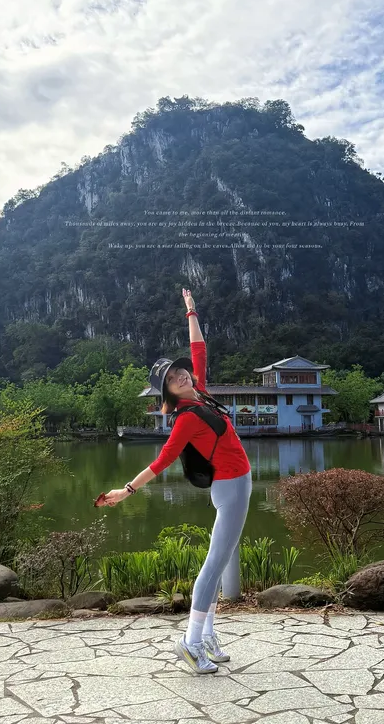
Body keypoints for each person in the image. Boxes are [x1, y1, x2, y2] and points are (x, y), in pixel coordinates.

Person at [95, 288, 252, 674]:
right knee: (214, 563)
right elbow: (162, 460)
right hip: (230, 488)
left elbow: (199, 350)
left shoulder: (200, 396)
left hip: (240, 482)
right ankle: (190, 642)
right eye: (173, 377)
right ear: (167, 391)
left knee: (218, 561)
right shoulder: (185, 418)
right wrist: (127, 490)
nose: (182, 375)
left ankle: (209, 636)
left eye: (181, 371)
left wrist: (191, 311)